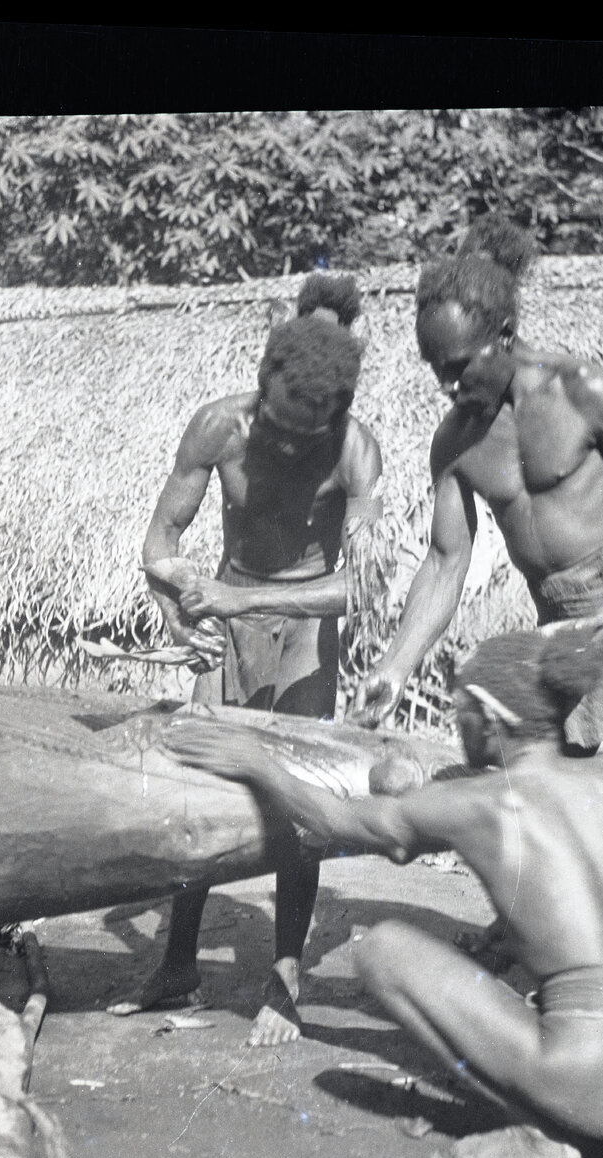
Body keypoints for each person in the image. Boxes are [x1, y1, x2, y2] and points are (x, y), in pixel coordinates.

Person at [166, 628, 603, 1158]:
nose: (456, 724)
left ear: (491, 718)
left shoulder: (478, 801)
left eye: (461, 711)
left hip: (590, 1077)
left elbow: (337, 822)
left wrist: (254, 761)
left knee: (383, 950)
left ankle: (545, 1129)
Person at [107, 277, 385, 1046]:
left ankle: (286, 973)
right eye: (281, 428)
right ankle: (175, 963)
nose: (292, 445)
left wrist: (245, 608)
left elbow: (357, 590)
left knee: (298, 803)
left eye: (310, 434)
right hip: (225, 613)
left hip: (300, 630)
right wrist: (179, 608)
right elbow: (159, 548)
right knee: (197, 790)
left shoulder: (357, 453)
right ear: (263, 387)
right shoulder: (216, 428)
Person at [351, 213, 603, 831]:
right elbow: (446, 560)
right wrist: (395, 666)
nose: (447, 384)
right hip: (558, 623)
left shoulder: (581, 388)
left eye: (458, 365)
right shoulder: (455, 442)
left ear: (504, 337)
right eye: (435, 369)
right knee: (548, 805)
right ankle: (534, 930)